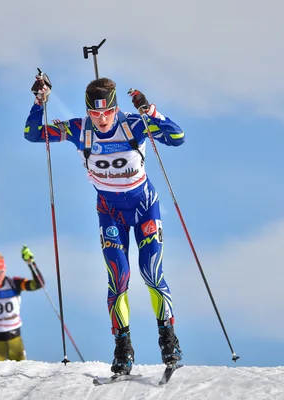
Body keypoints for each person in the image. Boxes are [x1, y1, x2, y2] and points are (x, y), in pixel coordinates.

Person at [24, 74, 185, 374]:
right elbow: (33, 134)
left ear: (116, 108)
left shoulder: (133, 125)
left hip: (144, 208)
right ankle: (123, 346)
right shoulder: (80, 130)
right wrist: (38, 102)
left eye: (107, 112)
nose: (101, 119)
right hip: (110, 213)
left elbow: (177, 137)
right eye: (95, 113)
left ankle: (168, 338)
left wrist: (150, 111)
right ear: (88, 112)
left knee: (151, 272)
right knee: (119, 276)